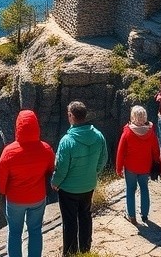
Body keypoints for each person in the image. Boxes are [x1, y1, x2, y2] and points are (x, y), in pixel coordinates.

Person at [0, 110, 55, 257]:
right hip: (37, 197)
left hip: (15, 199)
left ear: (18, 127)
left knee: (15, 232)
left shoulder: (9, 151)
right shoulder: (46, 149)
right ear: (36, 127)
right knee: (35, 231)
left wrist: (3, 192)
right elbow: (51, 169)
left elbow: (0, 176)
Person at [52, 101, 108, 256]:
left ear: (71, 116)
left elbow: (62, 168)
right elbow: (103, 159)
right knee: (85, 216)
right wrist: (94, 172)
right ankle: (85, 250)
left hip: (69, 189)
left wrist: (55, 182)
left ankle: (70, 253)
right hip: (88, 185)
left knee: (69, 222)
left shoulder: (67, 141)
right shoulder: (98, 135)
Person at [117, 105, 161, 224]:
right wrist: (157, 162)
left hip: (130, 167)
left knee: (130, 190)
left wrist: (118, 168)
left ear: (132, 117)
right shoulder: (151, 132)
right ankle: (145, 215)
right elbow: (156, 150)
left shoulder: (127, 132)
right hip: (145, 167)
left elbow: (121, 152)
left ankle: (132, 216)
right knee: (144, 189)